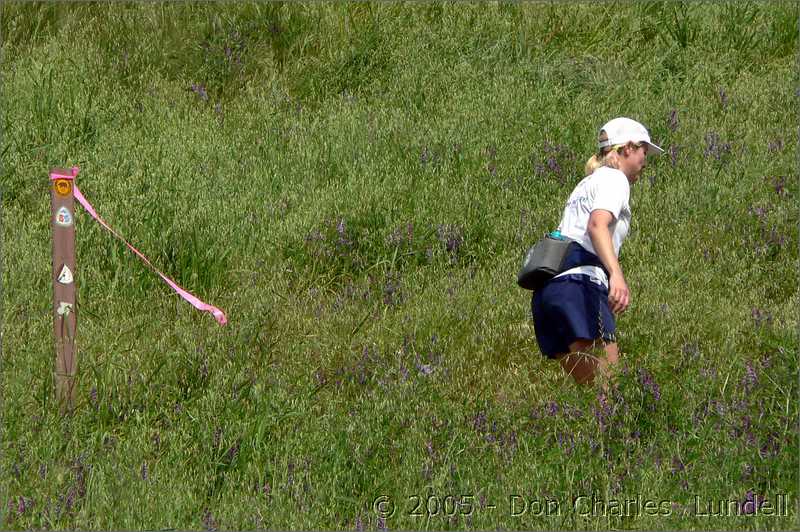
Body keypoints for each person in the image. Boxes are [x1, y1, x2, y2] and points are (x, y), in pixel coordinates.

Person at [531, 117, 663, 386]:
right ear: (627, 148)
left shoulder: (585, 184)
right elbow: (597, 225)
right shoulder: (615, 179)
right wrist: (616, 274)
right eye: (643, 152)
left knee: (592, 396)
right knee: (610, 392)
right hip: (580, 285)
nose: (645, 161)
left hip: (549, 291)